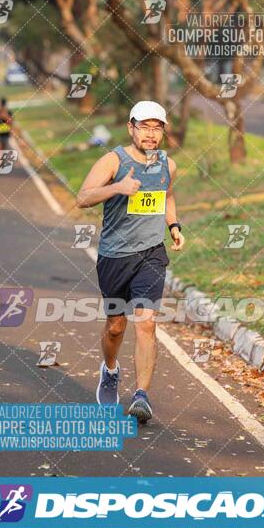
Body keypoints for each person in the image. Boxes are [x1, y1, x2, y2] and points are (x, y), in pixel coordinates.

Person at [77, 101, 185, 423]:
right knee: (115, 327)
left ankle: (141, 396)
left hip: (151, 253)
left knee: (147, 321)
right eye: (145, 127)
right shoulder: (114, 160)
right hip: (114, 256)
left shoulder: (169, 164)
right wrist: (118, 188)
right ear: (131, 128)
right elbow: (82, 198)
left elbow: (167, 194)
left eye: (157, 128)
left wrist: (174, 226)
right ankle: (110, 370)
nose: (151, 134)